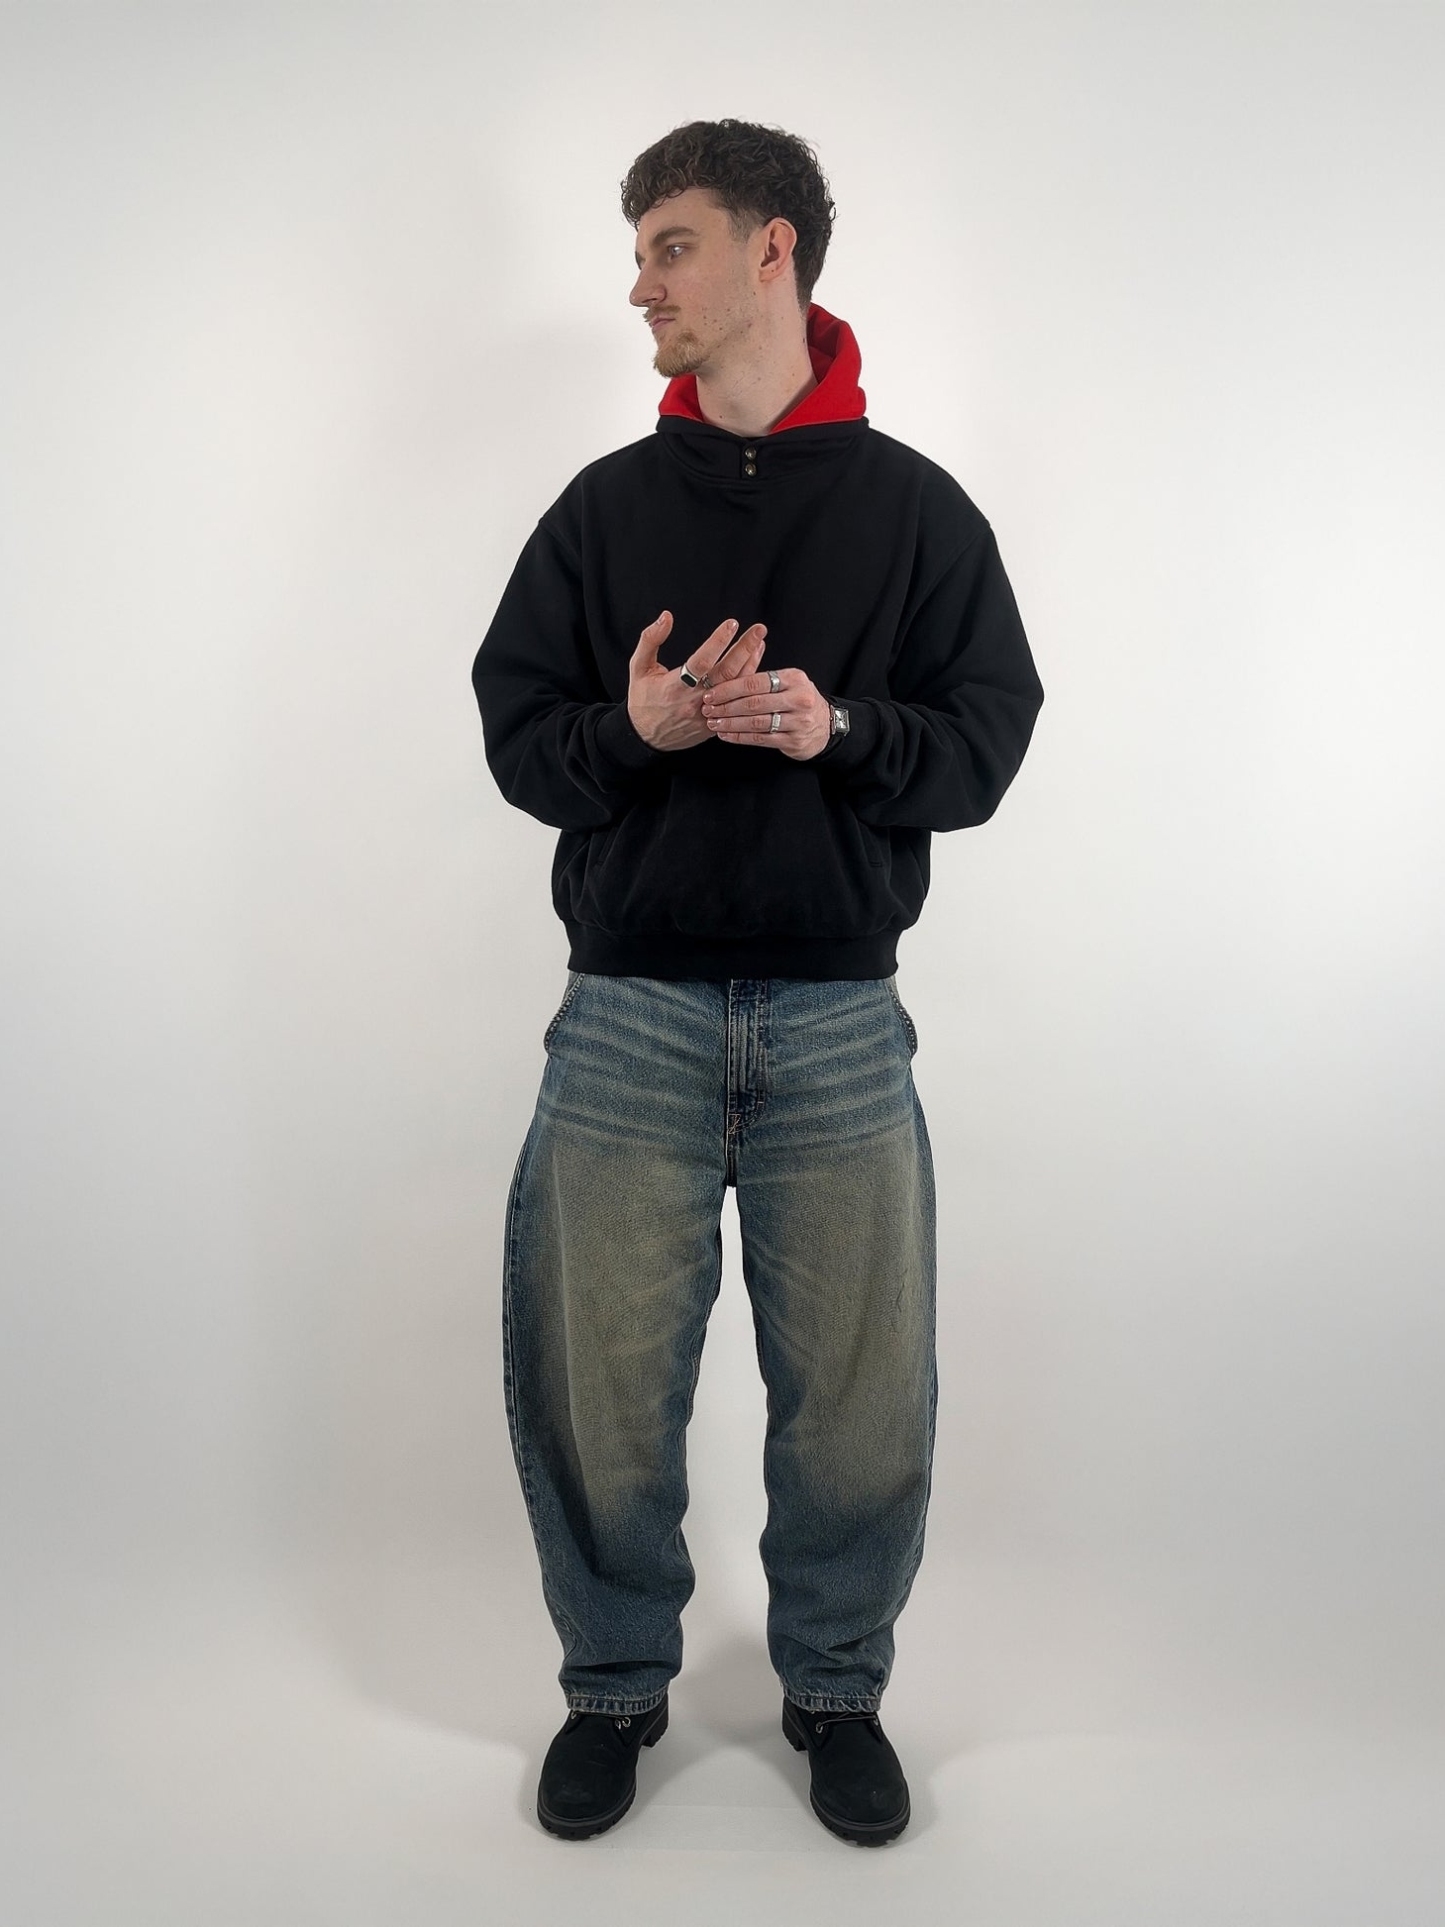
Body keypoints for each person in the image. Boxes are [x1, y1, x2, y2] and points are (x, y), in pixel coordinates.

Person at [470, 117, 1043, 1847]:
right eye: (640, 249)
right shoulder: (600, 512)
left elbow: (985, 739)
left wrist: (839, 728)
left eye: (670, 245)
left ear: (770, 249)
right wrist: (633, 728)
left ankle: (836, 1689)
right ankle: (612, 1689)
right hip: (627, 1016)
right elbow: (518, 736)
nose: (639, 284)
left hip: (838, 1022)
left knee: (860, 1395)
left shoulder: (913, 509)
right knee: (596, 1387)